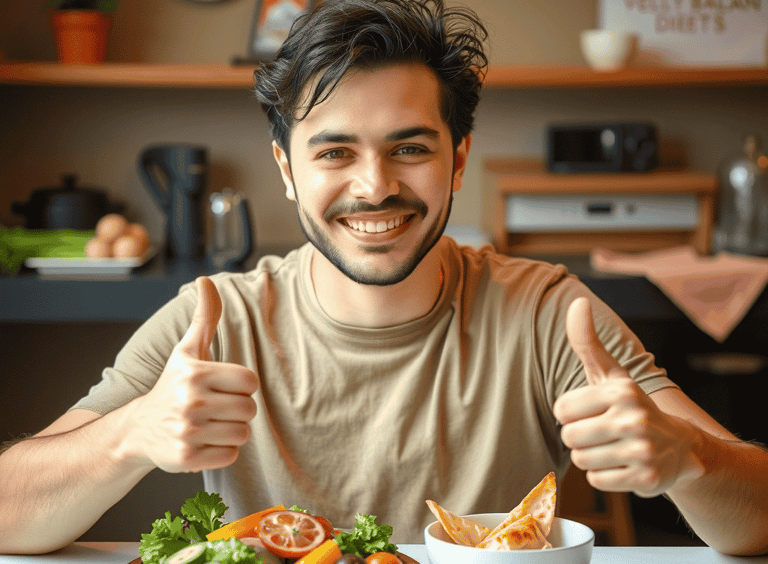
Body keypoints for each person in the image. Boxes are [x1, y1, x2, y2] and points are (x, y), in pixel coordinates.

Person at [1, 0, 767, 556]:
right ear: (287, 170)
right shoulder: (215, 316)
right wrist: (130, 437)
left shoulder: (545, 310)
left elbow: (757, 518)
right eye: (334, 152)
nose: (374, 187)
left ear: (458, 158)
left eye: (409, 148)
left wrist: (687, 458)